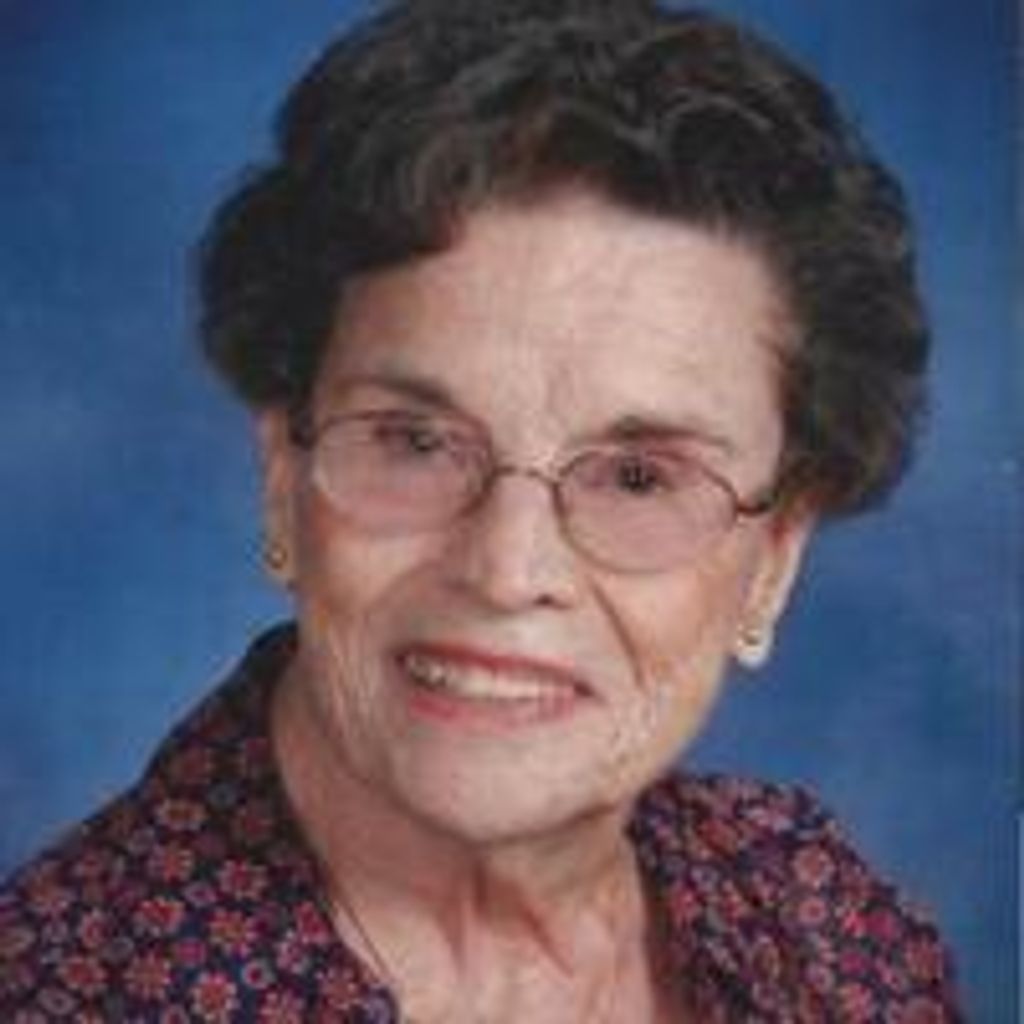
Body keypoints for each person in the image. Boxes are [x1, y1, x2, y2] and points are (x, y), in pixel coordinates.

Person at [0, 1, 964, 1019]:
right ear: (283, 476)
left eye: (639, 477)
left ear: (772, 558)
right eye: (416, 441)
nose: (507, 570)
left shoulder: (828, 929)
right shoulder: (57, 990)